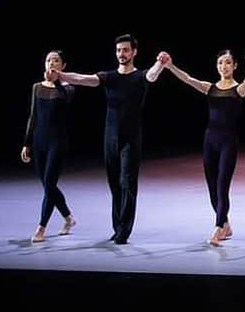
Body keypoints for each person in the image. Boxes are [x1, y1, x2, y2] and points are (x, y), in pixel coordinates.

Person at [52, 34, 166, 244]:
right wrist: (62, 75)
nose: (121, 54)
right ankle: (117, 227)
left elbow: (151, 75)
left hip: (131, 138)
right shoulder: (110, 77)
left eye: (125, 50)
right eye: (118, 50)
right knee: (114, 184)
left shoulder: (140, 77)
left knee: (127, 183)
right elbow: (83, 78)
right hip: (110, 137)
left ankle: (124, 230)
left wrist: (160, 63)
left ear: (134, 52)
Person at [165, 50, 245, 246]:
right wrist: (170, 66)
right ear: (217, 66)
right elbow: (188, 79)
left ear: (234, 66)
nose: (224, 66)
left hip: (228, 143)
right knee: (212, 188)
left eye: (228, 63)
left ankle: (217, 228)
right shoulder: (210, 88)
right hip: (209, 141)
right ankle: (226, 225)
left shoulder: (238, 89)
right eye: (221, 63)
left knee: (222, 187)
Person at [21, 50, 78, 243]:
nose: (51, 63)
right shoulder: (37, 87)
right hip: (39, 142)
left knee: (50, 183)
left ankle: (41, 227)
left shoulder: (68, 88)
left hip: (58, 142)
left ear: (63, 66)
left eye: (55, 61)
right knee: (48, 186)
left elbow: (65, 99)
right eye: (48, 60)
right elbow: (33, 116)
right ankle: (68, 218)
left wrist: (57, 80)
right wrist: (26, 143)